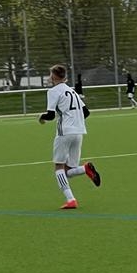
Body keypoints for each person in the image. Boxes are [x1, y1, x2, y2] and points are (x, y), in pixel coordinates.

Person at [38, 64, 101, 209]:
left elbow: (50, 115)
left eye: (50, 74)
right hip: (79, 132)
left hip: (65, 132)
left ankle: (71, 200)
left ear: (54, 76)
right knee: (68, 171)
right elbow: (86, 112)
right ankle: (85, 169)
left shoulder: (53, 91)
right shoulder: (72, 91)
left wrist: (41, 117)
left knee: (58, 167)